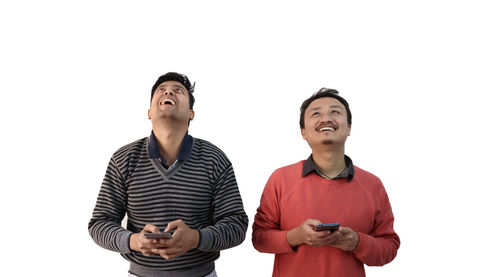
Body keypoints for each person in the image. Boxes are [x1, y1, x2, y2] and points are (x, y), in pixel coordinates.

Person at [89, 72, 248, 277]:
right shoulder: (123, 158)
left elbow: (236, 224)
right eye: (161, 90)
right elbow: (100, 223)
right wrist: (133, 241)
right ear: (148, 112)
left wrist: (196, 238)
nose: (169, 92)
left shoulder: (215, 159)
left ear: (191, 113)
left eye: (178, 90)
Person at [252, 88, 400, 277]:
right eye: (316, 114)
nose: (326, 118)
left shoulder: (372, 184)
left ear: (349, 128)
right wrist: (295, 236)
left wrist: (357, 242)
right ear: (303, 132)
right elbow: (259, 239)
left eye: (335, 112)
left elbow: (389, 248)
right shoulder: (280, 179)